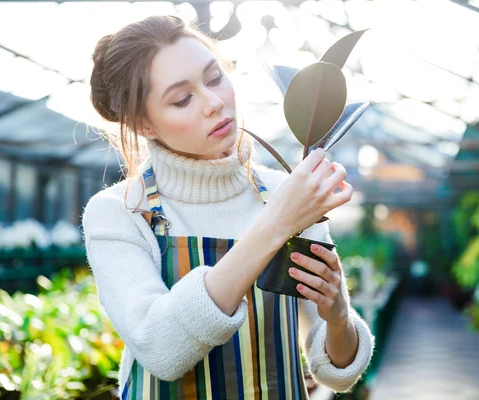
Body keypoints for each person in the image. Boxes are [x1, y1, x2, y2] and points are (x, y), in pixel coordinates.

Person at [82, 14, 374, 399]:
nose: (214, 103)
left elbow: (337, 375)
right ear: (144, 125)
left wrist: (337, 317)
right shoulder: (120, 212)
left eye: (215, 77)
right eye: (182, 99)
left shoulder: (284, 190)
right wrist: (277, 224)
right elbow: (160, 349)